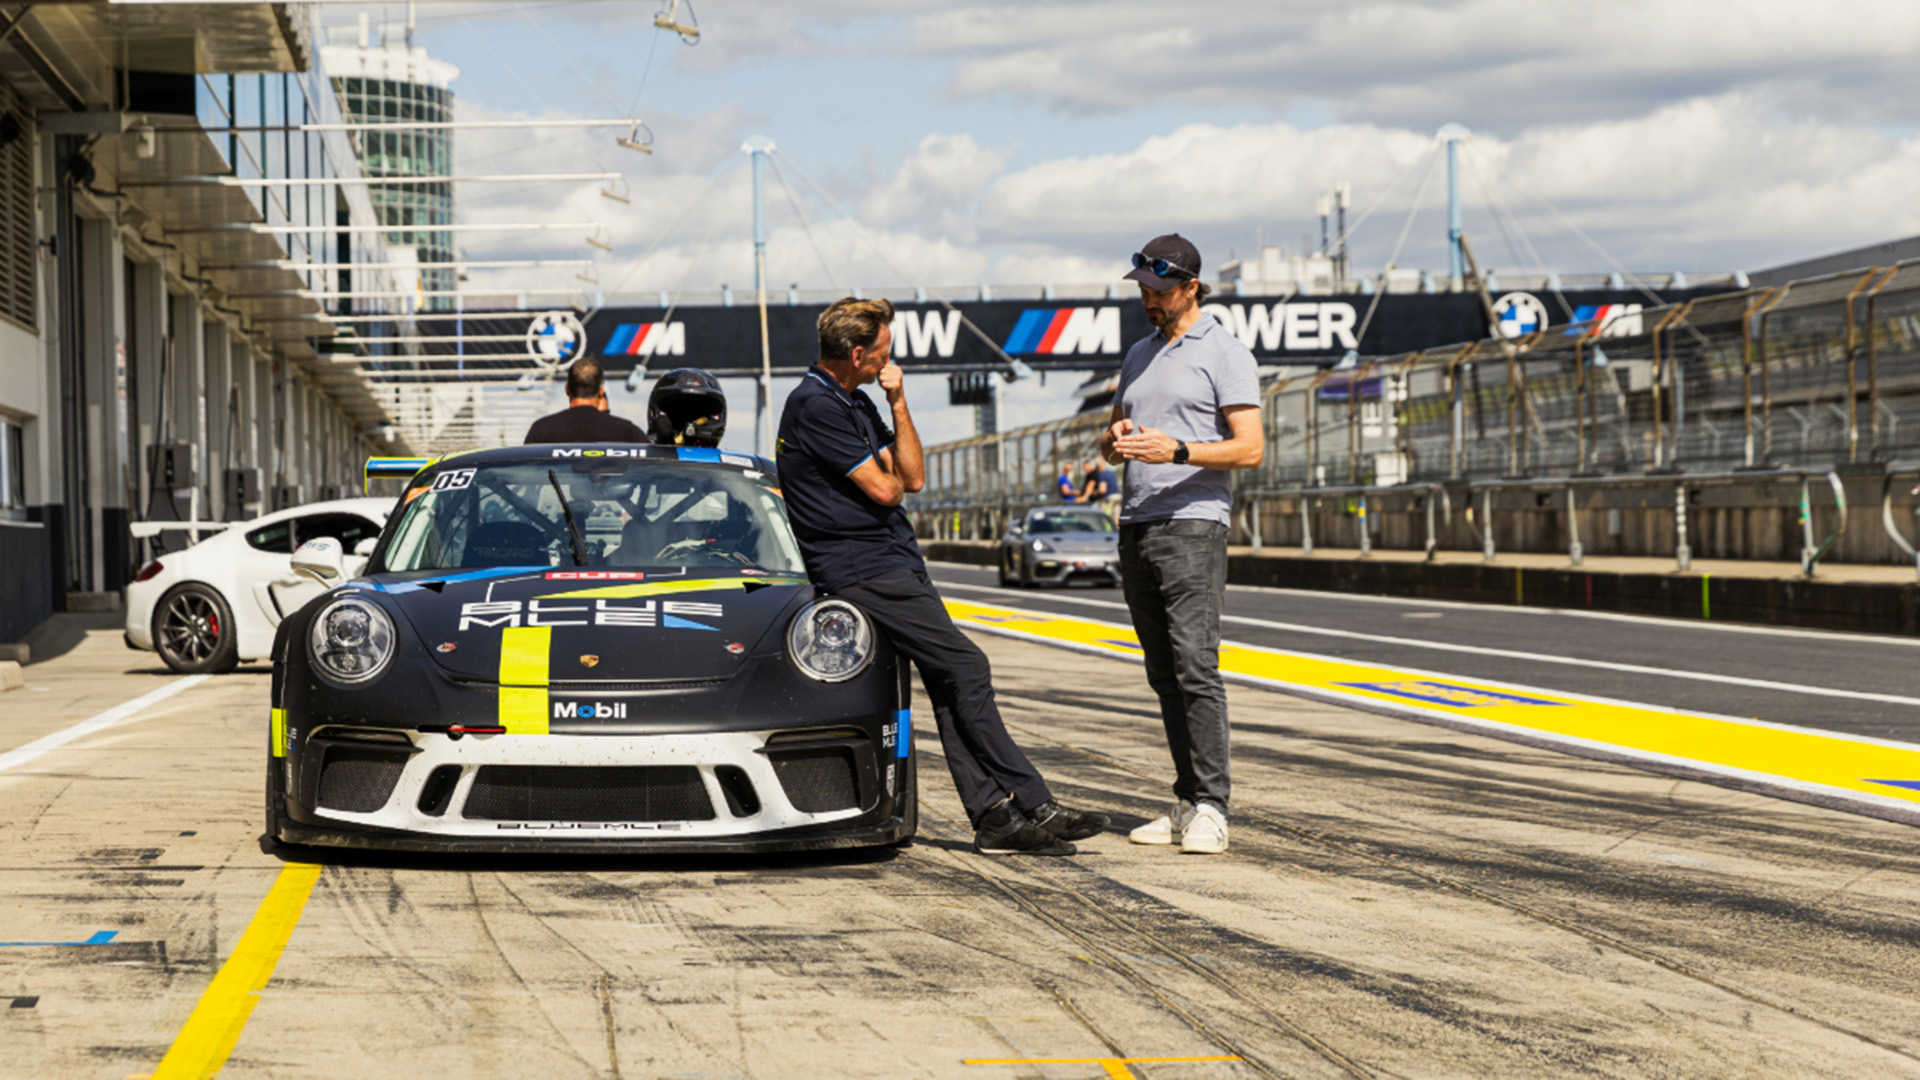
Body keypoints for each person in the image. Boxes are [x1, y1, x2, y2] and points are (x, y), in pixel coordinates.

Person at [778, 297, 1109, 856]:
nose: (891, 362)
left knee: (947, 681)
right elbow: (887, 490)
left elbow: (913, 475)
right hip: (866, 568)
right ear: (858, 353)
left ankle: (994, 818)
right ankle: (1036, 802)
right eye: (884, 353)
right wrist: (887, 469)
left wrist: (898, 399)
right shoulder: (816, 405)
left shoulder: (855, 401)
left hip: (890, 560)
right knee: (967, 665)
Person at [1102, 234, 1263, 855]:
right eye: (1143, 288)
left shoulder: (1225, 352)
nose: (1149, 299)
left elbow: (1249, 448)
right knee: (1164, 673)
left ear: (1190, 287)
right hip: (1136, 520)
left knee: (1196, 667)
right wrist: (1113, 436)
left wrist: (1178, 450)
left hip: (1193, 522)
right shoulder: (1139, 354)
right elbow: (1112, 439)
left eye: (1159, 290)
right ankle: (1187, 800)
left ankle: (1213, 809)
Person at [524, 357, 646, 444]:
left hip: (554, 481)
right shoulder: (627, 432)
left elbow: (525, 474)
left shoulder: (541, 431)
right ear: (601, 391)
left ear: (567, 389)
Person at [648, 368, 727, 448]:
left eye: (698, 411)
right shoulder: (640, 455)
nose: (690, 427)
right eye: (678, 411)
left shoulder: (729, 459)